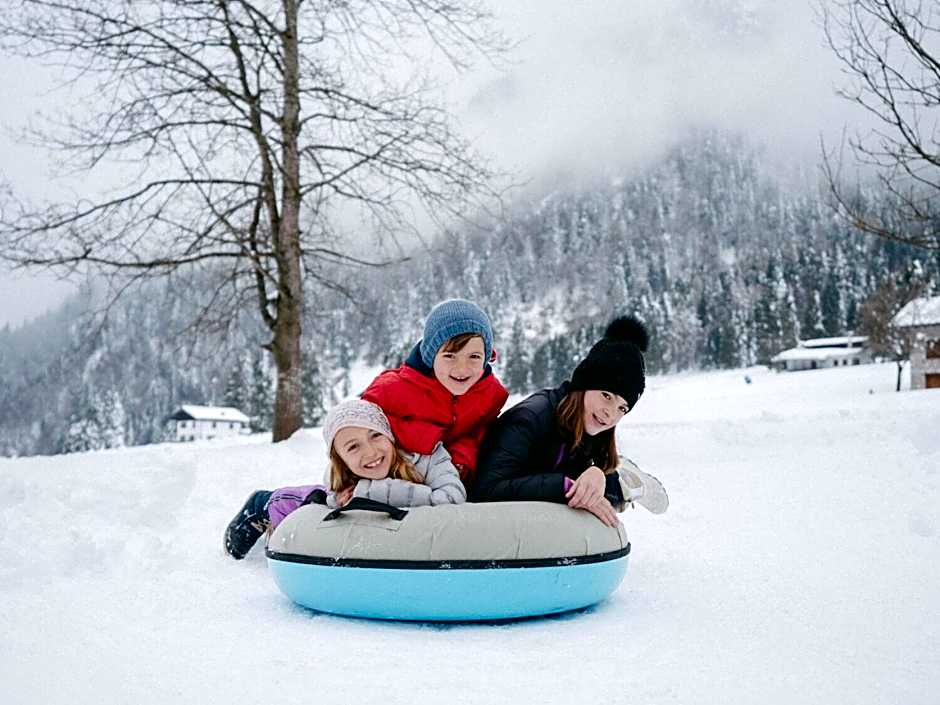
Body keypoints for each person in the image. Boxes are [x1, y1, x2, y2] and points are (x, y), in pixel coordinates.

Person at [471, 315, 668, 527]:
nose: (610, 414)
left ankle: (622, 482)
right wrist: (567, 487)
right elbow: (486, 490)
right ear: (584, 385)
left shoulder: (588, 426)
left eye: (622, 408)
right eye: (606, 395)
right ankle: (619, 480)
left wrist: (595, 475)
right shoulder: (529, 419)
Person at [224, 399, 465, 559]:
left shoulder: (428, 457)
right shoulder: (339, 480)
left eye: (375, 436)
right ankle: (259, 506)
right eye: (353, 447)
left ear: (390, 436)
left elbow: (453, 499)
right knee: (305, 503)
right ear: (341, 460)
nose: (370, 452)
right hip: (296, 501)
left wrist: (371, 490)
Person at [361, 298, 509, 486]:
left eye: (474, 357)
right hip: (396, 474)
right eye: (449, 356)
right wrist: (427, 437)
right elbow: (359, 426)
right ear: (431, 355)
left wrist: (460, 457)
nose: (462, 369)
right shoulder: (390, 388)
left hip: (450, 478)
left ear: (487, 357)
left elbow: (478, 432)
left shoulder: (491, 394)